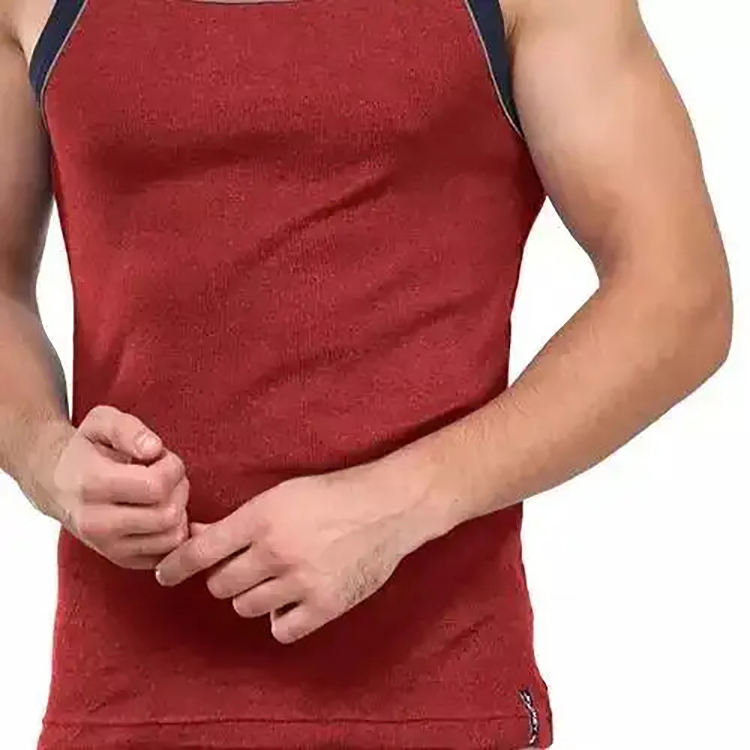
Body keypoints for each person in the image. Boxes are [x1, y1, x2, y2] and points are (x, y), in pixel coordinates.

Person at [0, 0, 732, 748]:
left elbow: (681, 296)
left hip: (434, 698)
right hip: (122, 703)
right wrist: (47, 462)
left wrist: (395, 504)